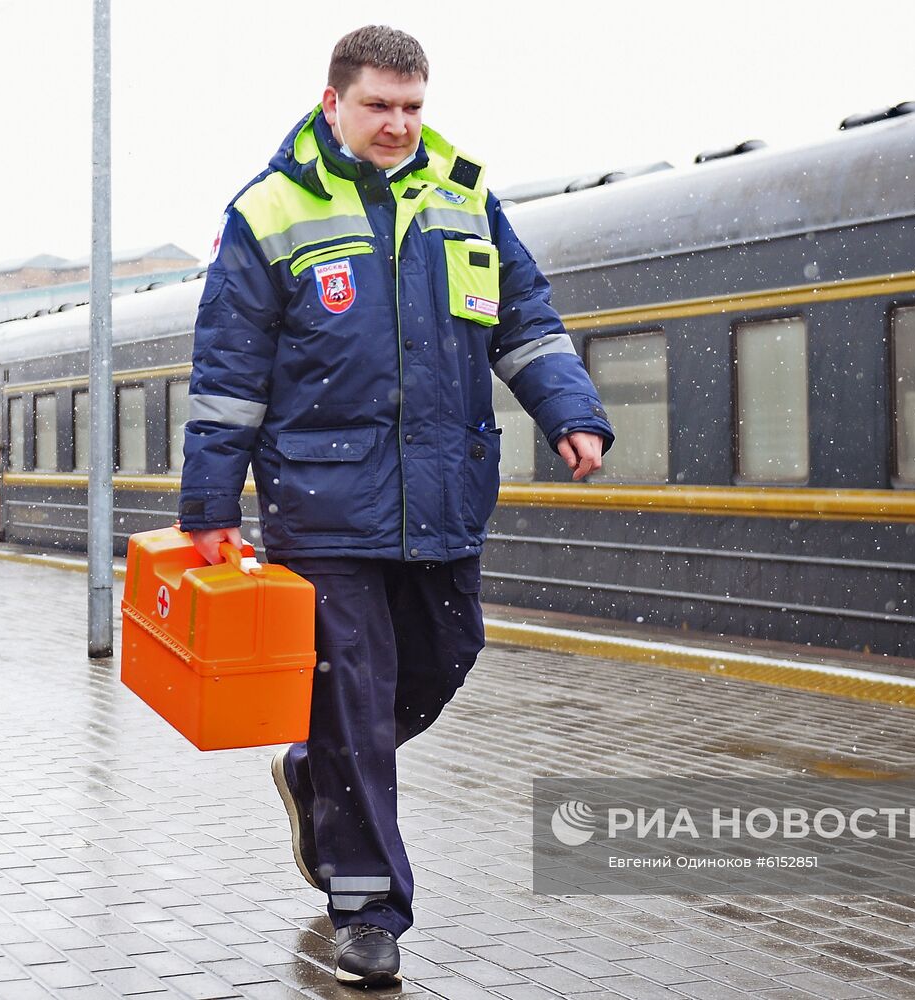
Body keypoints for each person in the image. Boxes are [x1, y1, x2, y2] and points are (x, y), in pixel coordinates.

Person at [179, 25, 613, 988]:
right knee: (357, 698)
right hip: (322, 502)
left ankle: (316, 766)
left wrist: (570, 412)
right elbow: (228, 375)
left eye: (412, 106)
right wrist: (210, 501)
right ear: (333, 100)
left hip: (444, 492)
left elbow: (526, 316)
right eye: (379, 105)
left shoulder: (463, 196)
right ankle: (368, 909)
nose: (398, 123)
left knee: (445, 657)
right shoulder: (272, 209)